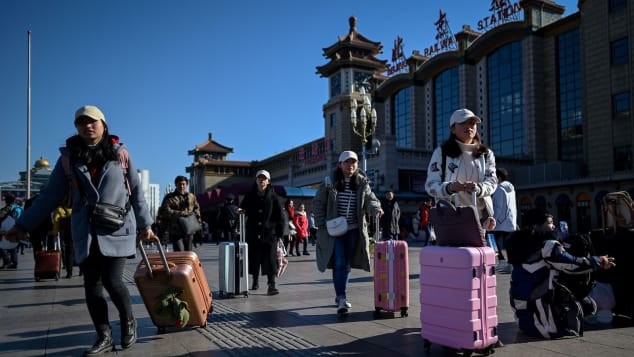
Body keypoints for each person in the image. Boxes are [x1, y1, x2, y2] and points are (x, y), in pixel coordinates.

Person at [5, 105, 156, 355]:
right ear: (76, 127)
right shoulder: (68, 159)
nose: (88, 126)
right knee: (92, 285)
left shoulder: (120, 154)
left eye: (92, 121)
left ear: (103, 125)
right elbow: (49, 196)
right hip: (85, 231)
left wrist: (146, 225)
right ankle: (104, 335)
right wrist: (22, 226)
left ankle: (129, 320)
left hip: (116, 228)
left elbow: (137, 192)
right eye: (81, 123)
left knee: (113, 280)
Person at [506, 208, 615, 339]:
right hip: (540, 321)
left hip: (523, 317)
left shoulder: (521, 244)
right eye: (550, 223)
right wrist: (599, 261)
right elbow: (571, 264)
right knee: (588, 305)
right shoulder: (547, 245)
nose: (553, 226)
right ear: (537, 226)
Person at [313, 150, 383, 315]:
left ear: (357, 164)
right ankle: (342, 297)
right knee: (339, 262)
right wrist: (322, 224)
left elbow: (370, 199)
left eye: (354, 162)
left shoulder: (362, 183)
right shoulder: (329, 182)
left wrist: (376, 208)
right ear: (340, 164)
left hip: (353, 230)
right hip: (334, 231)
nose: (350, 165)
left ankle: (340, 295)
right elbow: (318, 203)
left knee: (347, 264)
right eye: (347, 162)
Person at [425, 108, 497, 231]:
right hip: (449, 218)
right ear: (453, 128)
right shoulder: (441, 152)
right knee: (452, 251)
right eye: (463, 123)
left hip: (479, 220)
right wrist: (450, 188)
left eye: (472, 123)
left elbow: (492, 181)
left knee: (475, 250)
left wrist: (479, 189)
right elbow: (430, 185)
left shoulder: (486, 153)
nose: (469, 126)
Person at [239, 170, 284, 296]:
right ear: (256, 180)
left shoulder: (274, 197)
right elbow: (243, 208)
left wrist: (279, 234)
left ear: (268, 181)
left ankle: (271, 285)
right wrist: (240, 210)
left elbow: (280, 216)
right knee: (255, 258)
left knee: (270, 259)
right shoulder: (250, 195)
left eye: (264, 178)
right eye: (259, 178)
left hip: (269, 233)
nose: (262, 180)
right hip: (253, 232)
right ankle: (255, 280)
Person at [159, 175, 201, 252]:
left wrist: (196, 218)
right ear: (176, 185)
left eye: (183, 184)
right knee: (179, 252)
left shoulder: (191, 196)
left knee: (188, 253)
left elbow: (197, 208)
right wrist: (180, 213)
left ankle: (188, 265)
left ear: (186, 185)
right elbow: (164, 211)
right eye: (179, 184)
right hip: (175, 230)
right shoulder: (169, 197)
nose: (181, 186)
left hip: (189, 229)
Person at [491, 167, 518, 273]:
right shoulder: (511, 188)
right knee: (509, 244)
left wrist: (493, 219)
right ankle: (511, 264)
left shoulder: (499, 189)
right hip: (510, 221)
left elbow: (498, 207)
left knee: (493, 240)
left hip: (500, 222)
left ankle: (502, 261)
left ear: (498, 177)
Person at [51, 204, 74, 278]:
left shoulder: (59, 209)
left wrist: (55, 232)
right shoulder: (76, 207)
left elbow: (56, 221)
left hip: (65, 231)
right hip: (75, 230)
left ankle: (69, 272)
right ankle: (81, 271)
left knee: (68, 251)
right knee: (77, 250)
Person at [0, 194, 22, 269]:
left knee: (1, 246)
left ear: (7, 200)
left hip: (6, 229)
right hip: (17, 228)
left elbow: (1, 217)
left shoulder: (7, 208)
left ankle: (7, 261)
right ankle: (14, 262)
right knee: (13, 246)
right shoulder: (19, 207)